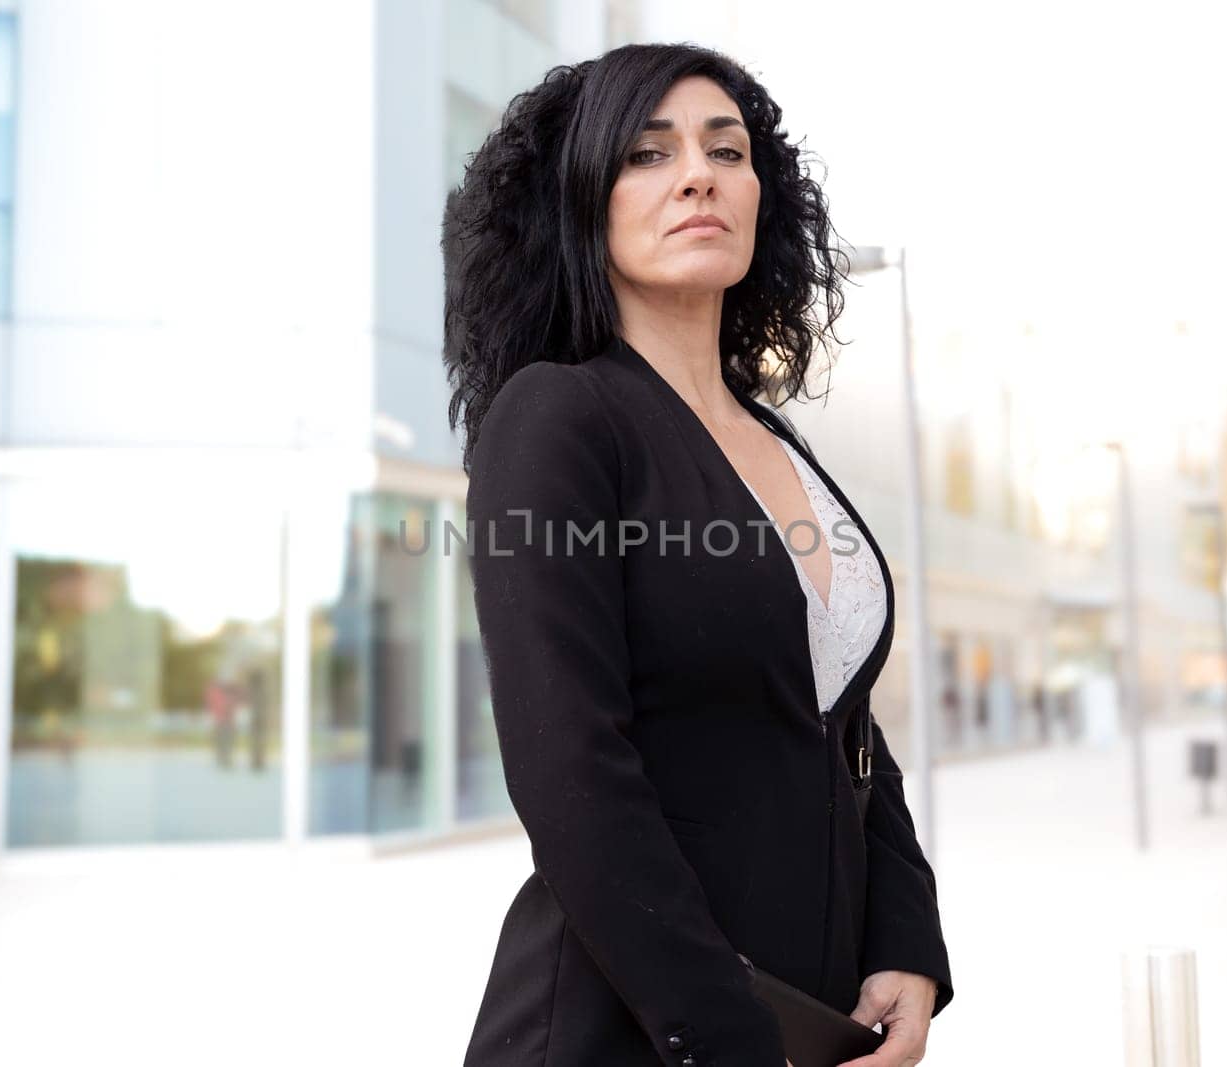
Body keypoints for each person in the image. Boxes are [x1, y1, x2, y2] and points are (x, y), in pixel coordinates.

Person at [444, 43, 953, 1067]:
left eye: (726, 150)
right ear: (583, 199)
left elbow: (841, 718)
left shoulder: (781, 442)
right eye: (646, 153)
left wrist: (906, 939)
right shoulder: (557, 418)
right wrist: (729, 1034)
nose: (697, 174)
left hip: (810, 1019)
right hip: (629, 1031)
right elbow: (568, 764)